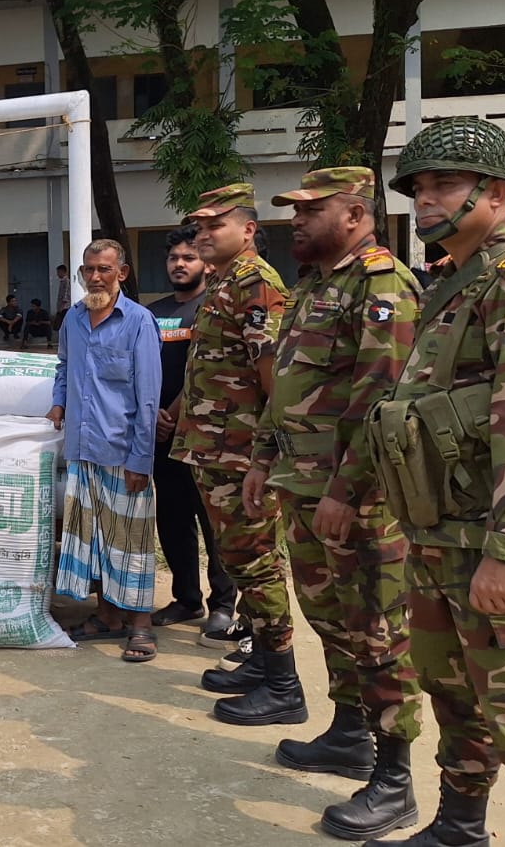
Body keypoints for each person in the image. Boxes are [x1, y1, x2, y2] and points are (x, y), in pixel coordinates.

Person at [364, 116, 505, 847]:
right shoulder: (454, 283)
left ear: (496, 191)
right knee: (453, 693)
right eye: (418, 187)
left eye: (445, 184)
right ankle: (460, 826)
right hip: (440, 537)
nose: (425, 200)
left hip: (493, 544)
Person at [242, 168, 424, 840]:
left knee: (377, 631)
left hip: (357, 499)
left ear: (354, 214)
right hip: (305, 485)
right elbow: (287, 386)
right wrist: (265, 457)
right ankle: (350, 732)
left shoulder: (381, 285)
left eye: (310, 210)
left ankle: (395, 777)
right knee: (331, 617)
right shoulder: (317, 285)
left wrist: (348, 490)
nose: (297, 219)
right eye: (294, 209)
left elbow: (383, 401)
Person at [171, 183, 302, 726]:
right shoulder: (226, 282)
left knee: (255, 560)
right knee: (240, 557)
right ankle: (260, 665)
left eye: (214, 226)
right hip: (215, 446)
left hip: (241, 450)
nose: (203, 235)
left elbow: (271, 373)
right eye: (198, 227)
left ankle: (283, 684)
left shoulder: (255, 283)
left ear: (247, 230)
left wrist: (265, 455)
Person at [48, 240, 162, 662]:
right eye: (89, 269)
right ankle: (107, 616)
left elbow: (148, 398)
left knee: (130, 540)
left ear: (122, 274)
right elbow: (63, 367)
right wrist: (59, 401)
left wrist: (140, 460)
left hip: (122, 451)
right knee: (91, 539)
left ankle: (140, 625)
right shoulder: (73, 320)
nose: (95, 277)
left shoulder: (138, 322)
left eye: (104, 270)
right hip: (82, 448)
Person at [148, 227, 237, 633]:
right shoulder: (153, 312)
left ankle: (223, 603)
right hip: (161, 437)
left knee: (212, 521)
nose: (180, 265)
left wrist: (174, 410)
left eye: (188, 258)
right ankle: (186, 599)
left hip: (204, 435)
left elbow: (209, 369)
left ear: (204, 262)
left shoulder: (214, 307)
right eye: (173, 258)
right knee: (172, 518)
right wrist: (153, 414)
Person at [53, 264, 71, 333]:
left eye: (58, 272)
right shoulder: (62, 281)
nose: (57, 274)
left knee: (62, 323)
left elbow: (65, 294)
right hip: (61, 306)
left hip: (64, 307)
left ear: (63, 272)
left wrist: (62, 306)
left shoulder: (66, 281)